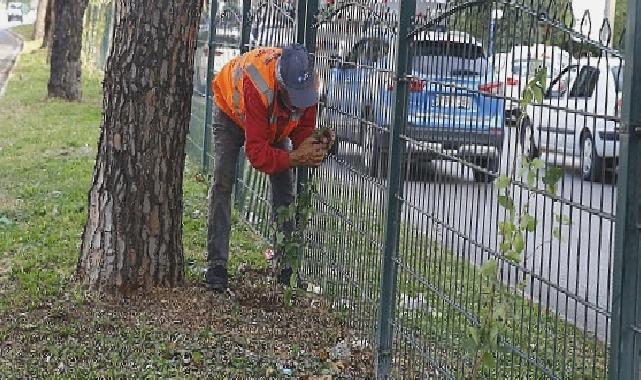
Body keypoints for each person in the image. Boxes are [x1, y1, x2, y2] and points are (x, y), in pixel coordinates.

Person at [205, 43, 335, 292]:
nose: (299, 104)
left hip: (272, 120)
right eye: (293, 99)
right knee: (223, 182)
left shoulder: (307, 86)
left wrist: (316, 143)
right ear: (281, 84)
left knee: (284, 187)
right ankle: (216, 266)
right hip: (231, 113)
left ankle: (284, 266)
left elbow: (302, 130)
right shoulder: (259, 88)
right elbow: (257, 155)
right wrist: (296, 158)